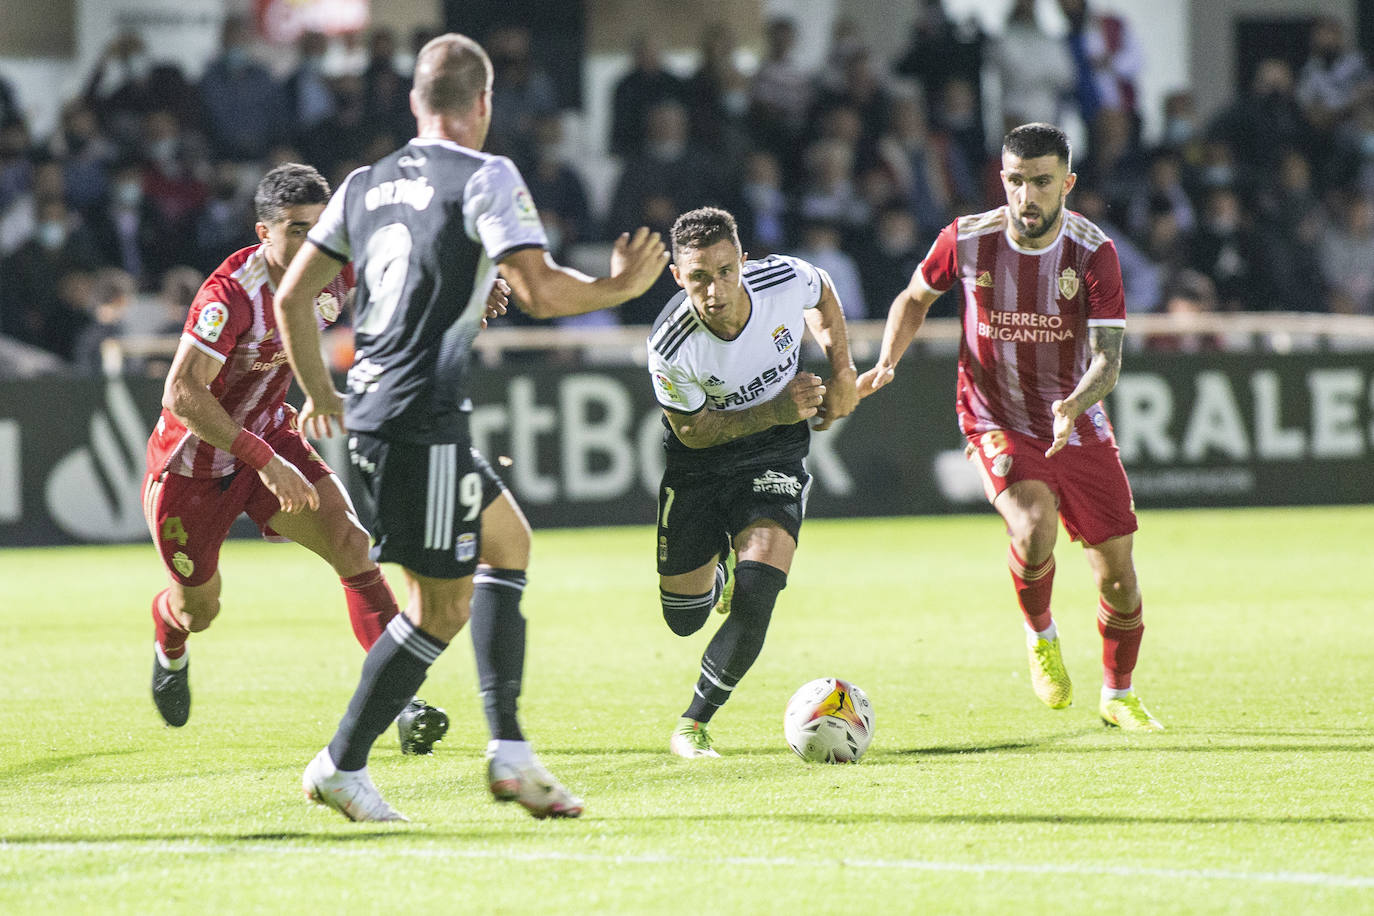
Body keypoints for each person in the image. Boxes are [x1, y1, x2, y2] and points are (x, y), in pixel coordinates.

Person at [273, 32, 667, 822]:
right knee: (438, 610)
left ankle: (509, 751)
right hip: (418, 417)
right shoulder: (487, 175)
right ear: (484, 103)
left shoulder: (364, 183)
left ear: (416, 103)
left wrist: (323, 392)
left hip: (392, 409)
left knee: (508, 542)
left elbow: (291, 300)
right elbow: (543, 292)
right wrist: (621, 287)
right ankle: (342, 763)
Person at [857, 122, 1164, 732]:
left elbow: (1108, 359)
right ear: (1003, 180)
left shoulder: (1093, 251)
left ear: (1067, 184)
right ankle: (1041, 635)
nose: (1027, 196)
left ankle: (1118, 695)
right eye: (1017, 181)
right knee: (1032, 524)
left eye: (1042, 182)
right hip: (993, 414)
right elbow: (913, 298)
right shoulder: (967, 239)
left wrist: (1074, 405)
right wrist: (887, 359)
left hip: (1073, 420)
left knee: (1119, 577)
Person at [142, 163, 451, 754]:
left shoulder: (335, 269)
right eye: (297, 231)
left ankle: (401, 703)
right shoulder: (229, 293)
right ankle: (169, 640)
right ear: (264, 233)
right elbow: (181, 395)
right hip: (192, 469)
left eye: (322, 227)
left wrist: (472, 288)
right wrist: (264, 460)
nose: (314, 243)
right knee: (198, 609)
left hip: (272, 439)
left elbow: (412, 273)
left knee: (350, 543)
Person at [647, 206, 858, 759]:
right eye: (698, 277)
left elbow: (825, 291)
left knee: (761, 587)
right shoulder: (670, 345)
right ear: (677, 276)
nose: (714, 290)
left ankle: (694, 723)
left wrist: (843, 373)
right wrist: (776, 408)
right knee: (684, 619)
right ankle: (716, 567)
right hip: (701, 463)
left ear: (743, 260)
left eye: (724, 271)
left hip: (775, 452)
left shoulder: (783, 279)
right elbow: (693, 432)